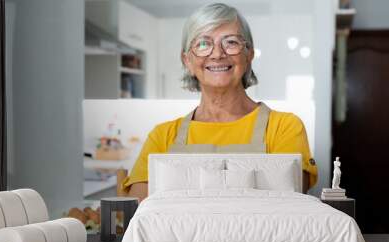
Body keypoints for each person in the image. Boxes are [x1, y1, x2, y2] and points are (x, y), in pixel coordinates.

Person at [122, 3, 318, 201]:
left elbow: (290, 210)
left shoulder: (284, 129)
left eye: (231, 42)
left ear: (249, 55)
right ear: (187, 61)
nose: (217, 54)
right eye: (203, 44)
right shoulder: (162, 137)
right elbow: (138, 214)